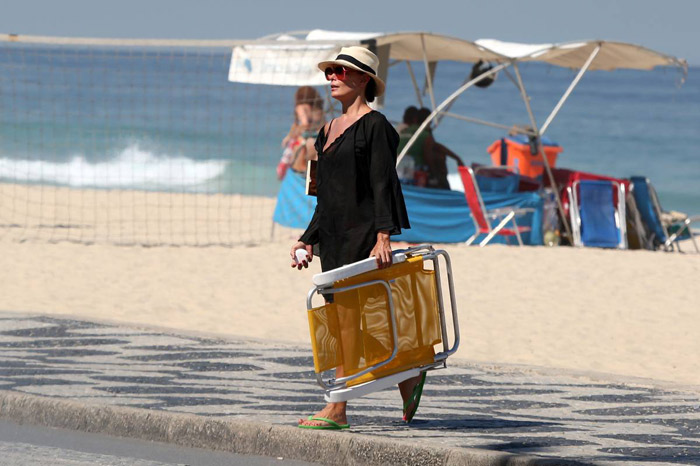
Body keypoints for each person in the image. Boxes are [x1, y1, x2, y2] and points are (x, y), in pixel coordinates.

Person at [289, 46, 422, 429]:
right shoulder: (327, 130)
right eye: (330, 71)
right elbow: (325, 195)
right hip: (332, 236)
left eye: (342, 71)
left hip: (363, 234)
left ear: (364, 80)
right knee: (343, 322)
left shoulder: (376, 126)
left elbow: (384, 184)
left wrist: (384, 236)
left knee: (348, 323)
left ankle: (338, 408)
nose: (332, 77)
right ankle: (407, 372)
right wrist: (307, 239)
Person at [277, 86, 326, 179]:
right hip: (320, 140)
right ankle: (312, 188)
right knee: (314, 174)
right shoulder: (319, 110)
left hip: (305, 142)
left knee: (295, 170)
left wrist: (290, 136)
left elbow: (305, 123)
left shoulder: (301, 107)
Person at [416, 107, 465, 190]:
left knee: (440, 156)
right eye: (430, 120)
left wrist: (456, 158)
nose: (431, 122)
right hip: (420, 166)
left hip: (419, 164)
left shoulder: (421, 132)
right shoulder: (423, 134)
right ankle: (442, 186)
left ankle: (442, 184)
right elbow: (433, 148)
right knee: (440, 158)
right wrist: (456, 158)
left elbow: (436, 146)